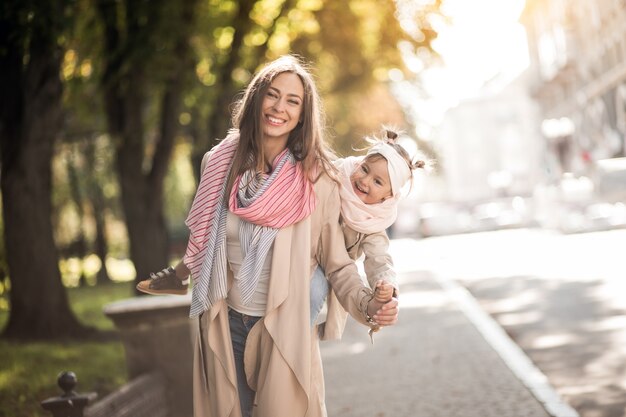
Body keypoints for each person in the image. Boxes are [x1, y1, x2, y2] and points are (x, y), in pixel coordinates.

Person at [136, 55, 399, 417]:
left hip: (284, 329)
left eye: (293, 101)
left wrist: (371, 306)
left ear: (303, 115)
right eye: (272, 95)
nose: (279, 107)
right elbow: (206, 241)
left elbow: (338, 266)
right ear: (256, 98)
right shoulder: (219, 164)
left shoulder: (317, 179)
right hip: (225, 323)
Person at [310, 127, 428, 340]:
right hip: (303, 250)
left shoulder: (373, 221)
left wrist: (385, 285)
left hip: (330, 267)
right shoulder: (333, 176)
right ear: (359, 162)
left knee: (314, 290)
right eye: (365, 170)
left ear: (387, 196)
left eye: (377, 182)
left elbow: (379, 259)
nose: (365, 181)